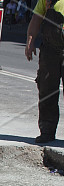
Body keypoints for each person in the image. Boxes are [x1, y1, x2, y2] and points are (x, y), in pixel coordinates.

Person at [25, 0, 64, 143]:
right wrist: (30, 40)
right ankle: (47, 131)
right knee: (46, 91)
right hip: (50, 50)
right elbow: (36, 18)